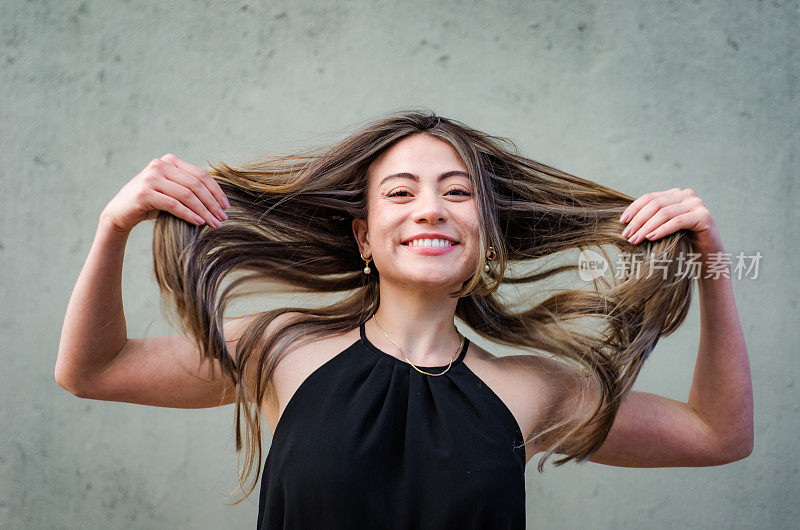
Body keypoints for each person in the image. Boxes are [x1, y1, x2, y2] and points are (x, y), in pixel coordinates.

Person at [56, 110, 753, 529]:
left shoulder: (535, 389)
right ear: (364, 236)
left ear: (487, 236)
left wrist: (710, 261)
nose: (430, 208)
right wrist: (112, 226)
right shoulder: (279, 346)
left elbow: (718, 435)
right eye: (400, 191)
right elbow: (93, 369)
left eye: (457, 192)